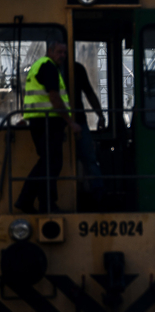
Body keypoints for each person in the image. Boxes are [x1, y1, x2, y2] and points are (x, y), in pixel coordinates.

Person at [15, 41, 81, 214]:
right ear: (50, 51)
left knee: (48, 163)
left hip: (40, 121)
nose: (62, 56)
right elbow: (54, 98)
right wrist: (70, 122)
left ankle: (39, 202)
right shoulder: (48, 67)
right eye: (59, 52)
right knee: (51, 163)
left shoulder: (39, 66)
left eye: (64, 53)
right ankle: (34, 201)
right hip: (47, 121)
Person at [73, 62, 105, 203]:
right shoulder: (48, 70)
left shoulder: (77, 69)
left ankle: (98, 195)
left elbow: (89, 92)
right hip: (62, 123)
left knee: (89, 158)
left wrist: (101, 115)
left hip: (77, 122)